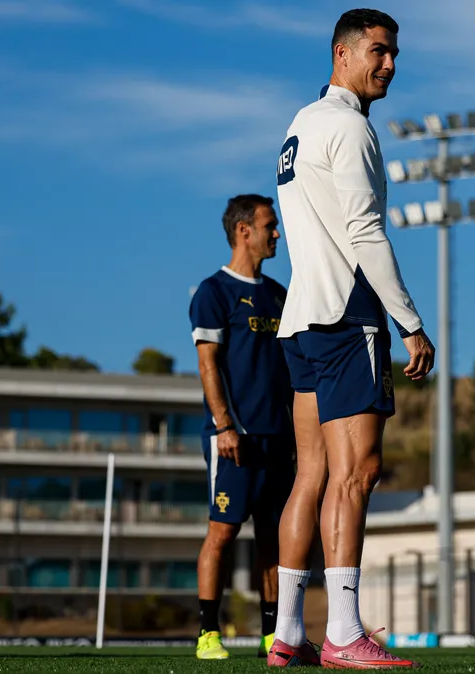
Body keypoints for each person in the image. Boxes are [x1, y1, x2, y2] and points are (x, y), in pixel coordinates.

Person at [268, 8, 435, 669]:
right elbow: (365, 232)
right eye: (377, 51)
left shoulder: (299, 124)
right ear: (342, 54)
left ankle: (287, 634)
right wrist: (409, 321)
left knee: (310, 476)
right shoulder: (349, 127)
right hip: (346, 314)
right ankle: (342, 632)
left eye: (394, 54)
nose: (389, 64)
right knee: (356, 473)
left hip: (301, 319)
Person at [189, 194, 297, 661]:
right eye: (270, 225)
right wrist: (224, 425)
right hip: (233, 437)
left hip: (279, 438)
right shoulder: (213, 292)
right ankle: (207, 634)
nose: (278, 234)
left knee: (272, 538)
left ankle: (272, 635)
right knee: (223, 532)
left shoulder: (280, 295)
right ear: (243, 231)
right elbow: (208, 364)